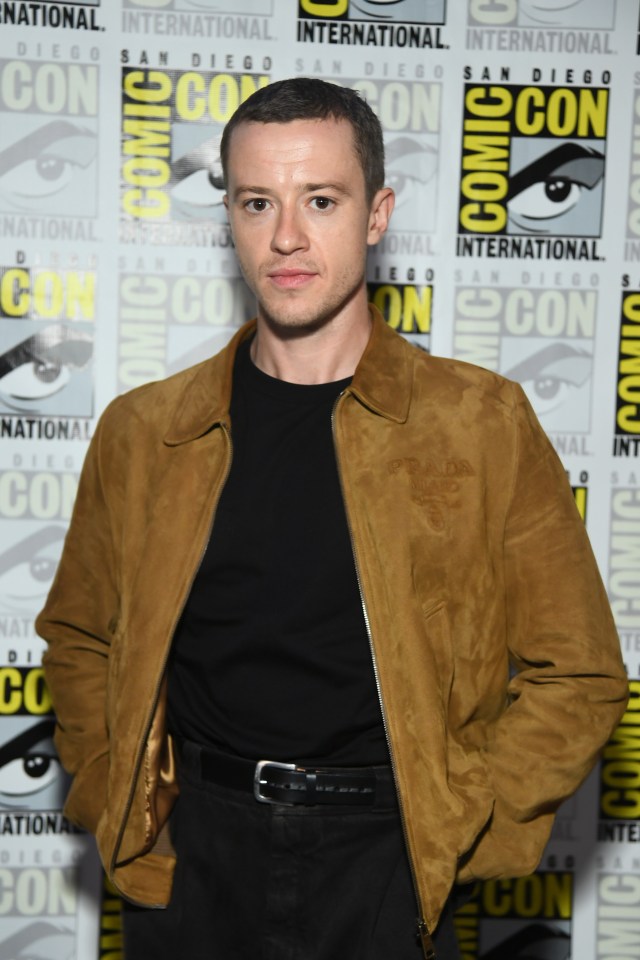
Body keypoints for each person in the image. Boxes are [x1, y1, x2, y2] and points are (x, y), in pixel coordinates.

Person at [36, 78, 627, 960]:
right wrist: (112, 791)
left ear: (377, 214)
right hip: (190, 859)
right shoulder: (144, 430)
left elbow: (578, 673)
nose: (286, 237)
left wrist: (464, 811)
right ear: (229, 217)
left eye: (321, 200)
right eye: (257, 202)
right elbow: (80, 637)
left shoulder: (481, 423)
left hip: (389, 863)